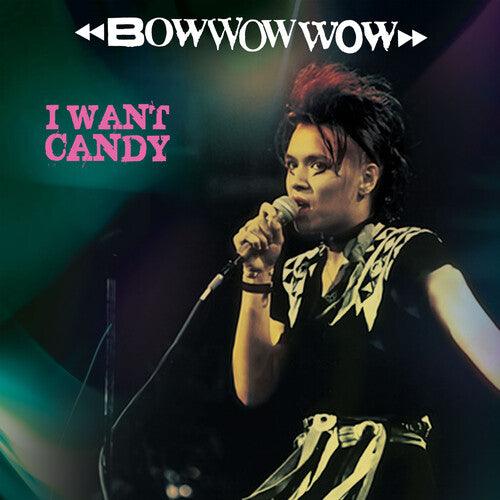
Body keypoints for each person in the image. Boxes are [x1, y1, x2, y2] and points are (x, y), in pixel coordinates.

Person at [231, 63, 499, 499]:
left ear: (367, 178)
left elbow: (488, 347)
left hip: (389, 478)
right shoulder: (297, 273)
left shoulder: (410, 251)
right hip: (315, 475)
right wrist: (256, 274)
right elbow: (252, 388)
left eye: (318, 165)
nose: (297, 182)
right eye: (292, 165)